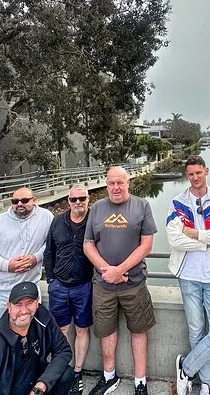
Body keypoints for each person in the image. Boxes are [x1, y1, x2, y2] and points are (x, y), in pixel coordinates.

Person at [83, 166, 157, 395]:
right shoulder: (97, 208)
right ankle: (109, 377)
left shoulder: (142, 205)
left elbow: (146, 245)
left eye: (120, 183)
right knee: (106, 331)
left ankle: (140, 381)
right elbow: (88, 244)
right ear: (107, 185)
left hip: (134, 283)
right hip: (103, 285)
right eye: (111, 183)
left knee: (138, 330)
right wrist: (107, 270)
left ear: (128, 183)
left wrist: (120, 270)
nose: (116, 187)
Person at [166, 155, 210, 395]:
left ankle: (186, 368)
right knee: (196, 332)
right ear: (187, 175)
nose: (195, 177)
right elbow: (174, 240)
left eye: (199, 172)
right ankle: (208, 384)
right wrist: (208, 240)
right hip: (188, 277)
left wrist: (196, 234)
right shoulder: (177, 202)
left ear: (207, 171)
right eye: (191, 174)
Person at [0, 281, 74, 395]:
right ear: (9, 307)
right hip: (6, 389)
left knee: (65, 374)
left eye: (29, 303)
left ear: (37, 303)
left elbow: (63, 350)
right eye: (18, 304)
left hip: (32, 382)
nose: (24, 311)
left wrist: (42, 384)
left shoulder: (43, 318)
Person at [44, 184, 94, 395]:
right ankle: (61, 370)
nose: (78, 202)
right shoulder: (57, 221)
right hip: (59, 286)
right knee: (61, 330)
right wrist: (51, 280)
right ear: (68, 201)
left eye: (82, 198)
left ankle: (77, 372)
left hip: (84, 286)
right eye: (74, 199)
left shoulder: (93, 220)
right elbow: (49, 251)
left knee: (82, 329)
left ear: (88, 199)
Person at [0, 187, 54, 322]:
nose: (19, 204)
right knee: (1, 332)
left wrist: (36, 258)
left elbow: (50, 244)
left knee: (30, 331)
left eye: (24, 200)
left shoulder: (46, 217)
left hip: (29, 288)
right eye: (15, 201)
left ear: (34, 200)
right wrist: (7, 265)